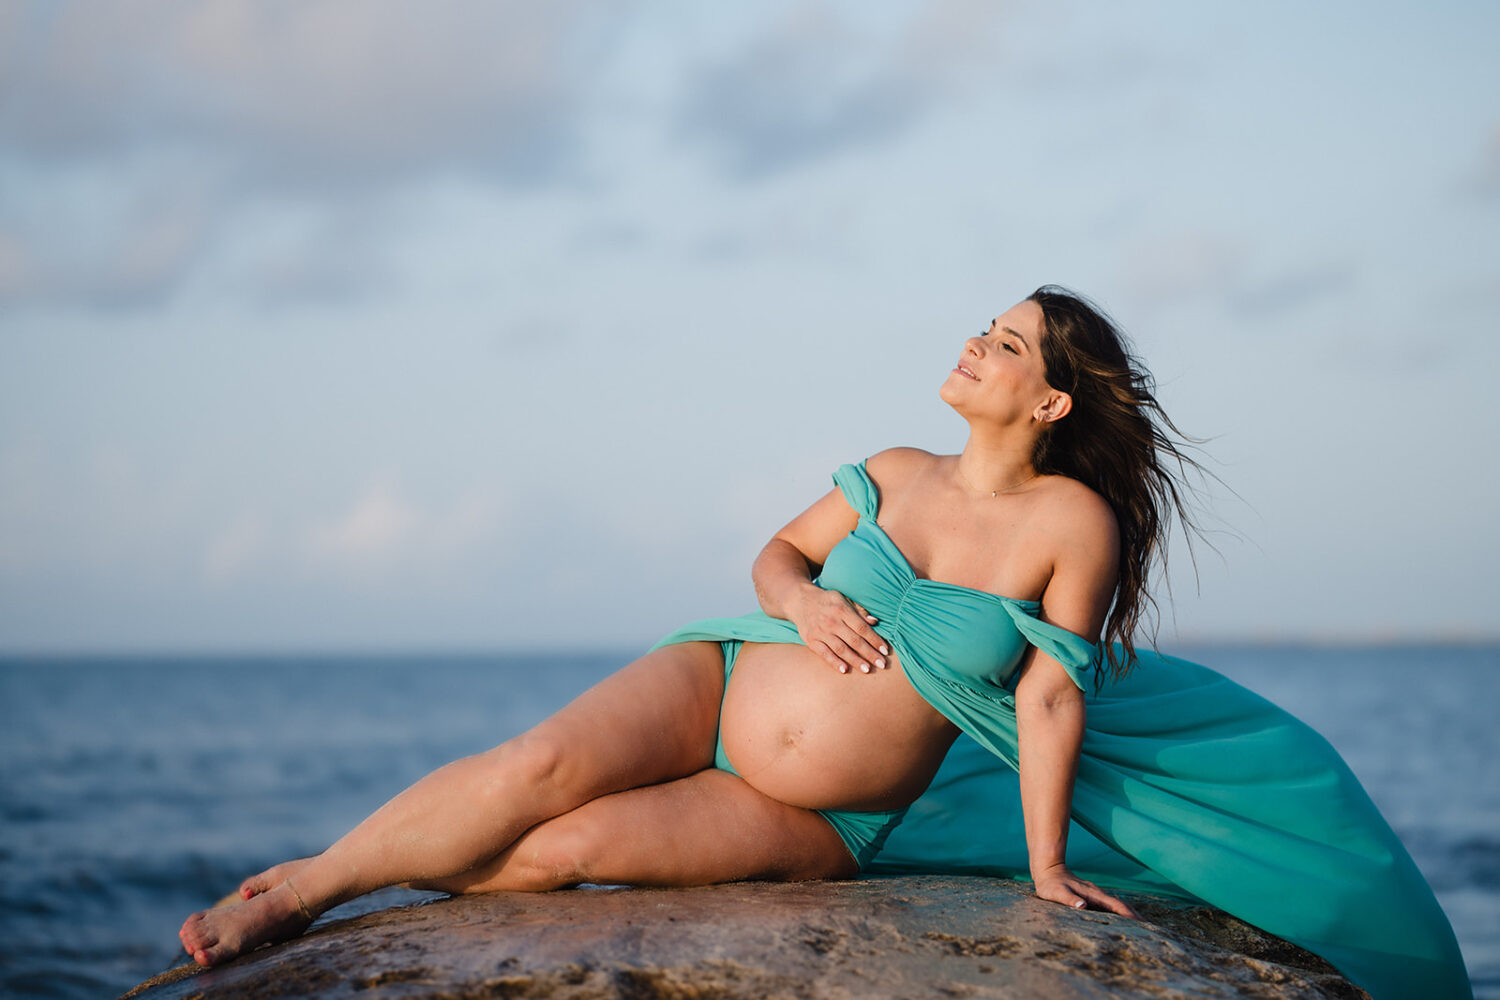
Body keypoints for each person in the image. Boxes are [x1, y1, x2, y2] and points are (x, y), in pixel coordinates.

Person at [179, 287, 1471, 1000]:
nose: (975, 343)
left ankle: (362, 867)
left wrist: (1042, 867)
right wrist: (799, 607)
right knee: (534, 773)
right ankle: (306, 889)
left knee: (567, 855)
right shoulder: (895, 469)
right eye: (985, 327)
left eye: (1007, 343)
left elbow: (1051, 702)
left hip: (826, 817)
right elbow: (777, 557)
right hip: (724, 674)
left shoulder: (1071, 525)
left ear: (1051, 398)